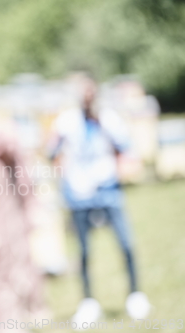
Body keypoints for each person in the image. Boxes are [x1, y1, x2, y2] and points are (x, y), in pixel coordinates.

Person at [49, 75, 150, 323]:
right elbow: (51, 151)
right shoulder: (66, 121)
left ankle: (136, 296)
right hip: (79, 195)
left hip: (108, 191)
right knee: (83, 251)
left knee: (126, 244)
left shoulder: (109, 119)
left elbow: (126, 148)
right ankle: (88, 302)